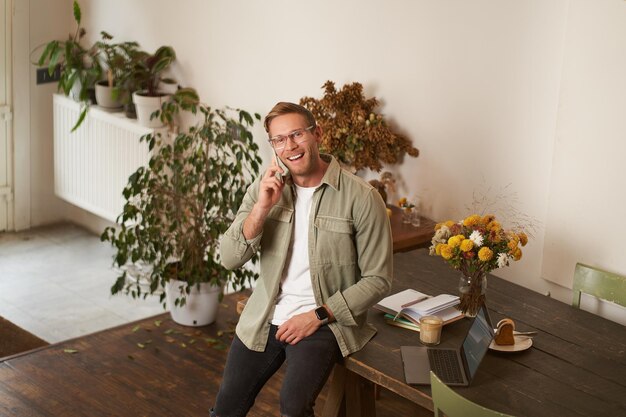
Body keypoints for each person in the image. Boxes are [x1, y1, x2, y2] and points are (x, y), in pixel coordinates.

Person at [212, 102, 393, 417]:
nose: (290, 146)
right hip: (265, 314)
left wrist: (318, 315)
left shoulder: (362, 198)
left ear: (317, 134)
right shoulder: (264, 190)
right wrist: (261, 208)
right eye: (279, 140)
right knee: (225, 409)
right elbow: (229, 258)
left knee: (293, 407)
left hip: (324, 322)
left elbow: (378, 280)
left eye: (296, 134)